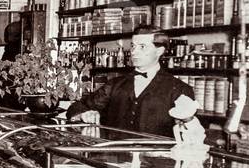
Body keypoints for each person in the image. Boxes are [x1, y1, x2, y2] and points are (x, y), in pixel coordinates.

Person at [66, 26, 194, 137]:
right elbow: (76, 107)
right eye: (133, 46)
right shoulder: (115, 84)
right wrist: (84, 114)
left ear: (159, 51)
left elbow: (188, 135)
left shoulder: (180, 89)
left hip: (156, 163)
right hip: (114, 159)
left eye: (142, 47)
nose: (134, 52)